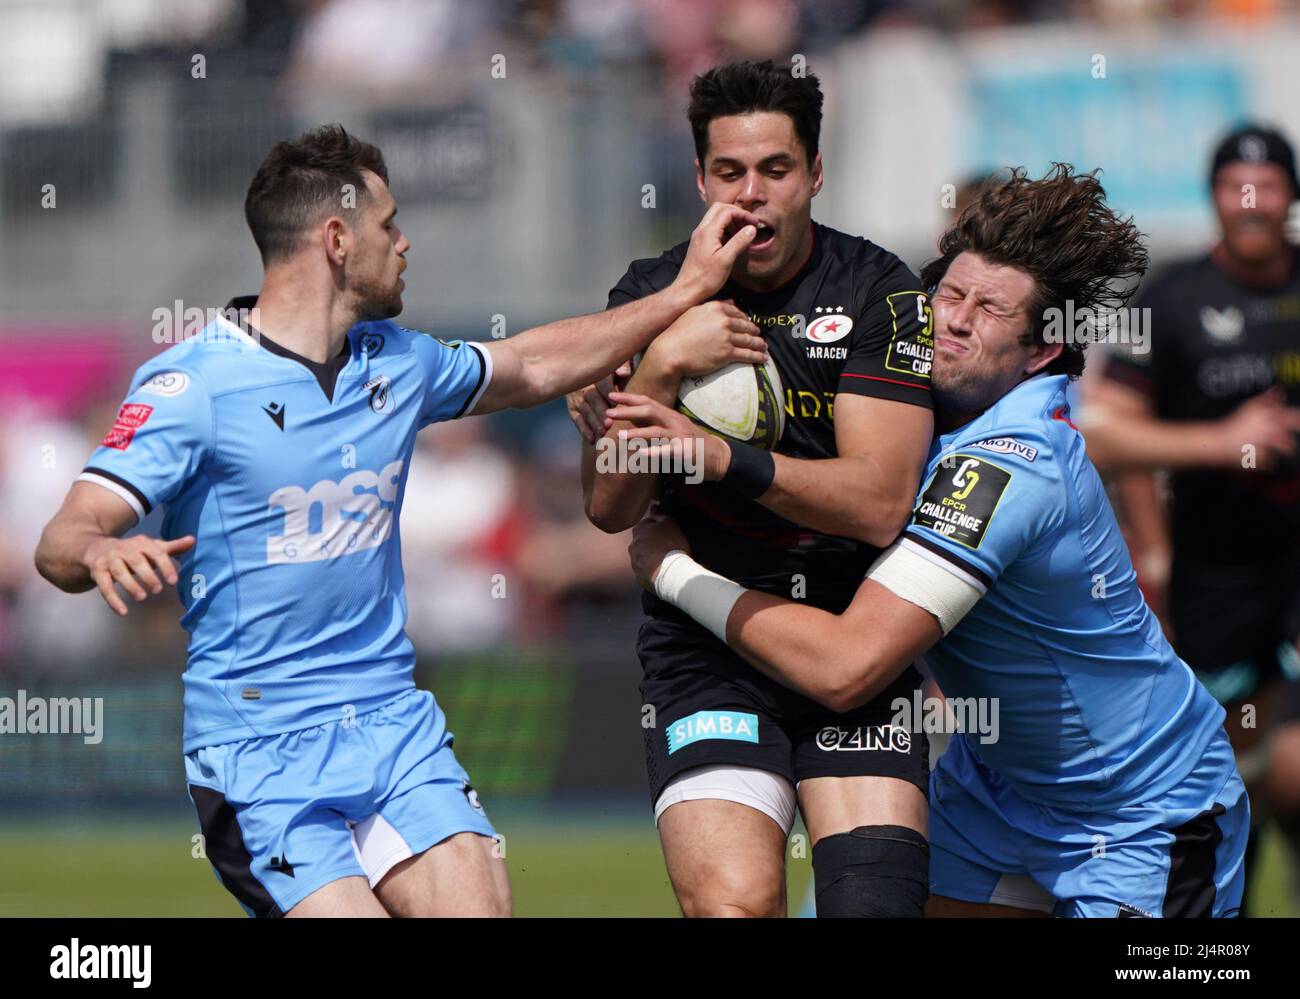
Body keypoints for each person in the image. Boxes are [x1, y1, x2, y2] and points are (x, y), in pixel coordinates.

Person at [33, 124, 764, 918]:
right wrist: (101, 550)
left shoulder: (397, 360)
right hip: (257, 752)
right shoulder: (191, 387)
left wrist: (680, 294)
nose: (404, 242)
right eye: (388, 224)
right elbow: (61, 540)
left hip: (393, 725)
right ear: (338, 238)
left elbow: (535, 365)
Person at [624, 165, 1248, 917]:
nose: (953, 319)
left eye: (988, 311)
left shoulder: (1008, 466)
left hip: (1141, 813)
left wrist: (675, 573)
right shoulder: (914, 407)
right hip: (997, 796)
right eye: (949, 294)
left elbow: (848, 669)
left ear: (1042, 351)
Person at [569, 59, 936, 917]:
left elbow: (880, 503)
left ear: (815, 173)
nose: (752, 194)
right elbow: (608, 508)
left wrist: (712, 454)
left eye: (776, 170)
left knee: (874, 907)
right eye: (730, 172)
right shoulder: (649, 295)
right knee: (735, 906)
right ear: (699, 179)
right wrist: (659, 367)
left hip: (853, 638)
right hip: (707, 653)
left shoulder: (881, 291)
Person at [1083, 124, 1300, 912]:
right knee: (1225, 772)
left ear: (1290, 196)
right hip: (1216, 576)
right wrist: (1218, 444)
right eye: (1236, 188)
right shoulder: (1172, 299)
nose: (1253, 203)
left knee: (1295, 761)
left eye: (1268, 186)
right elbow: (1102, 432)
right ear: (1214, 199)